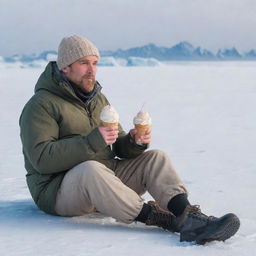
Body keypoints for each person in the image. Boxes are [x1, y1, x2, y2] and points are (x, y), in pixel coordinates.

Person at [19, 34, 240, 245]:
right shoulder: (41, 105)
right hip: (56, 191)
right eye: (84, 63)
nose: (92, 70)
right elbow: (41, 158)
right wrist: (90, 142)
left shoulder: (97, 99)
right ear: (65, 66)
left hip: (104, 180)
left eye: (95, 63)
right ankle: (167, 221)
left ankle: (188, 215)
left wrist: (134, 142)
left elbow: (118, 145)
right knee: (90, 170)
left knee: (156, 158)